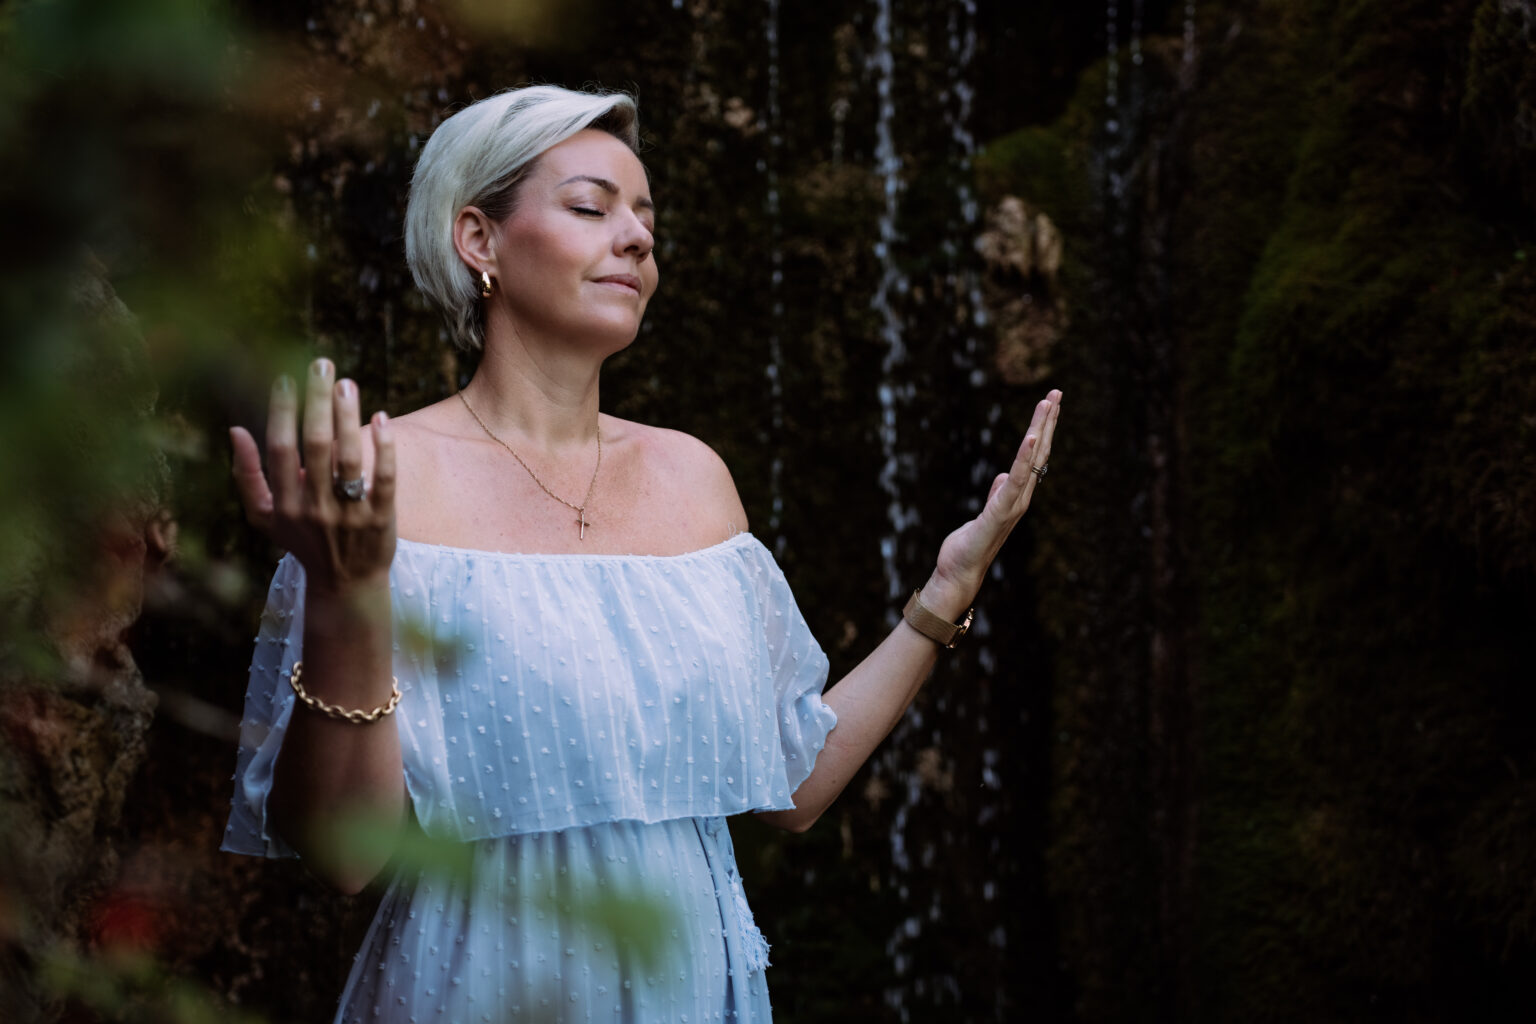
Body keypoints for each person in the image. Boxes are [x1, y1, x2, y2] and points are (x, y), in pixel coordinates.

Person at [224, 84, 1061, 1023]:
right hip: (479, 984)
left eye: (646, 220)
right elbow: (345, 855)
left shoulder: (693, 478)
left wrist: (945, 594)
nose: (635, 239)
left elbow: (790, 785)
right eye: (592, 208)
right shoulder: (381, 482)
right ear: (479, 240)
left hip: (693, 988)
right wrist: (344, 591)